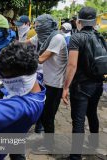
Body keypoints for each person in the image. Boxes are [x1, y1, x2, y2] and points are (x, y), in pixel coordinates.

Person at [62, 7, 106, 160]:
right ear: (94, 22)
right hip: (98, 85)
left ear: (78, 21)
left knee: (79, 120)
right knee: (92, 114)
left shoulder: (76, 38)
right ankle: (93, 145)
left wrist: (65, 87)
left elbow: (72, 65)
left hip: (81, 87)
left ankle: (75, 156)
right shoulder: (99, 37)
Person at [27, 14, 68, 153]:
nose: (36, 28)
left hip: (56, 84)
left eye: (38, 26)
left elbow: (42, 58)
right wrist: (12, 46)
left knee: (48, 116)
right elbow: (27, 42)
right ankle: (46, 141)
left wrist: (20, 58)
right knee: (43, 114)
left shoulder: (57, 37)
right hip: (47, 81)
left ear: (46, 25)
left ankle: (49, 146)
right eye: (35, 25)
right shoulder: (43, 37)